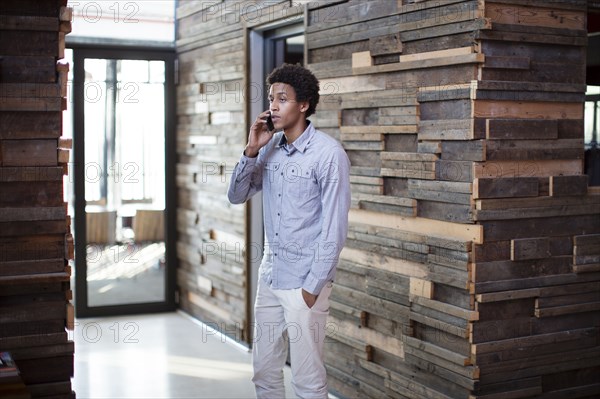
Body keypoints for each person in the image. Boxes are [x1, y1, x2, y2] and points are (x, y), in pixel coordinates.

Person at [227, 63, 351, 399]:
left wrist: (312, 288)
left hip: (304, 284)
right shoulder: (268, 147)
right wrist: (251, 150)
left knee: (307, 382)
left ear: (305, 104)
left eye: (283, 99)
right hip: (270, 276)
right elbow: (236, 196)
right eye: (271, 99)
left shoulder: (328, 154)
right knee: (264, 373)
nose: (273, 106)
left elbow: (334, 229)